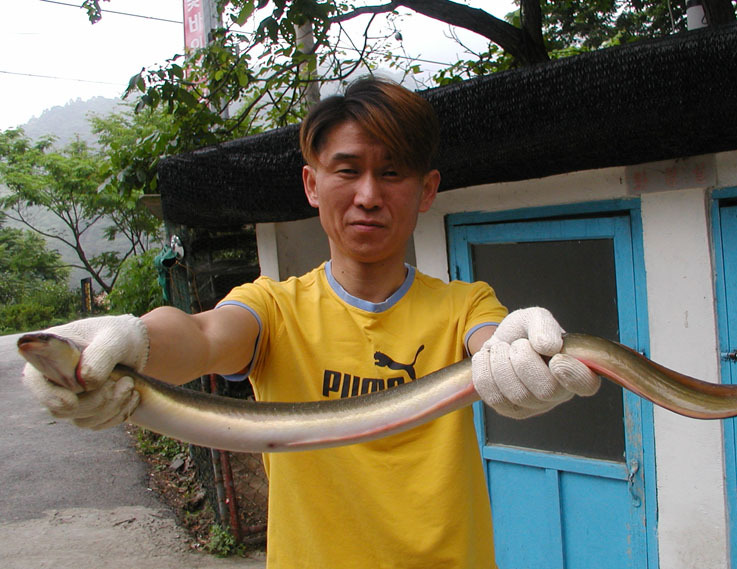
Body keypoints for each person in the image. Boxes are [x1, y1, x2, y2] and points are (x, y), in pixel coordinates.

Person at [22, 76, 600, 568]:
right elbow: (201, 337)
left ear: (426, 191)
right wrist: (136, 340)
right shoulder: (273, 309)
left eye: (392, 174)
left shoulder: (465, 306)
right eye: (347, 171)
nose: (369, 195)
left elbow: (494, 346)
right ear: (312, 184)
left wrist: (520, 356)